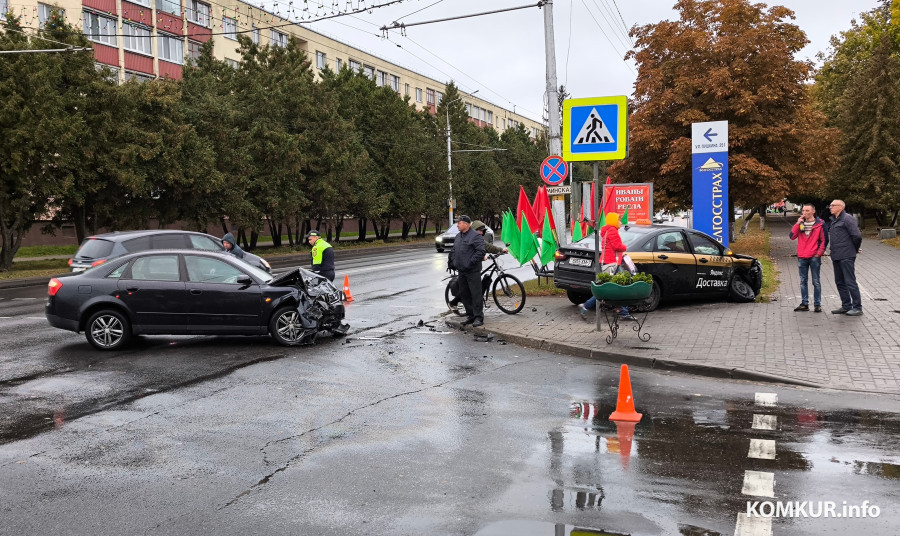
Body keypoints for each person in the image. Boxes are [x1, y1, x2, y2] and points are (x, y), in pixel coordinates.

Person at [579, 212, 635, 322]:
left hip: (609, 263)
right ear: (614, 221)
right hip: (612, 264)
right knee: (610, 289)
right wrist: (625, 246)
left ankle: (622, 311)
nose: (620, 222)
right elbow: (617, 246)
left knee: (617, 288)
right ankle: (587, 306)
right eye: (618, 220)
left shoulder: (607, 231)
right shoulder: (613, 231)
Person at [827, 200, 863, 316]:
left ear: (841, 207)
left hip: (846, 255)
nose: (830, 207)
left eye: (833, 205)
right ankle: (846, 305)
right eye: (830, 205)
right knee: (840, 282)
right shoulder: (834, 220)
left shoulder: (848, 218)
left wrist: (855, 248)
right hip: (836, 255)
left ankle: (857, 307)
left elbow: (856, 235)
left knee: (850, 281)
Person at [790, 203, 826, 312]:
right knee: (803, 281)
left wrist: (819, 253)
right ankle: (804, 304)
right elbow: (792, 236)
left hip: (814, 256)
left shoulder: (820, 224)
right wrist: (797, 223)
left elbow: (824, 240)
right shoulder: (801, 223)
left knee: (816, 281)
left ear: (813, 211)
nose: (805, 213)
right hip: (802, 256)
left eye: (807, 211)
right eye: (803, 211)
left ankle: (817, 304)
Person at [451, 215, 486, 327]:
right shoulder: (458, 236)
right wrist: (455, 262)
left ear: (466, 224)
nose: (457, 225)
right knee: (465, 294)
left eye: (459, 223)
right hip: (461, 271)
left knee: (475, 294)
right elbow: (454, 250)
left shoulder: (475, 236)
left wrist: (470, 263)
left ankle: (478, 317)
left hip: (472, 271)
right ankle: (470, 316)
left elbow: (480, 252)